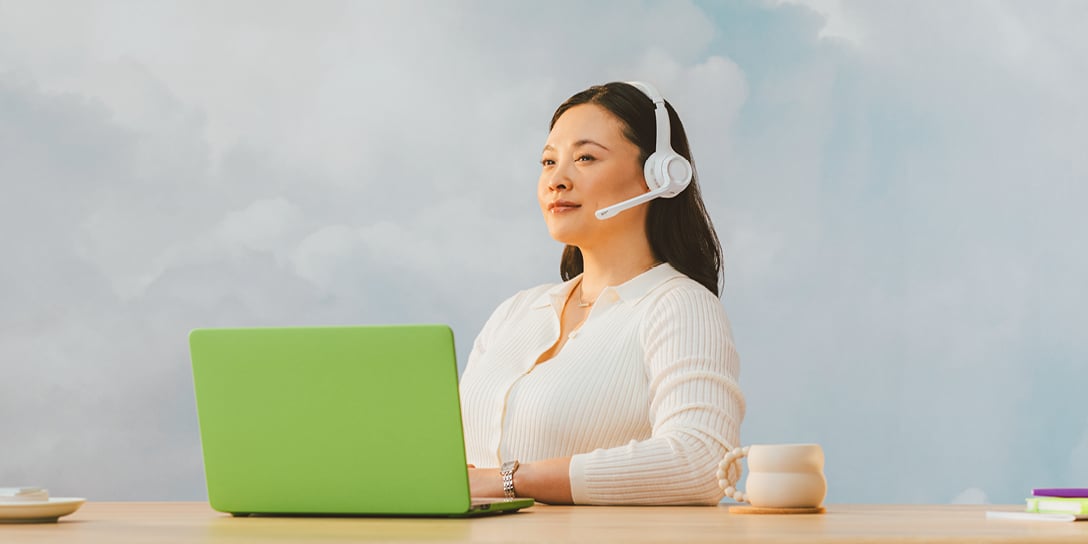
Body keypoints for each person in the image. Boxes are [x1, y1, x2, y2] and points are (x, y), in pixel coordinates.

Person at [459, 81, 745, 505]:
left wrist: (511, 479)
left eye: (585, 158)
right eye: (548, 161)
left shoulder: (678, 306)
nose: (557, 179)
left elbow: (702, 460)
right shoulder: (515, 312)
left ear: (659, 174)